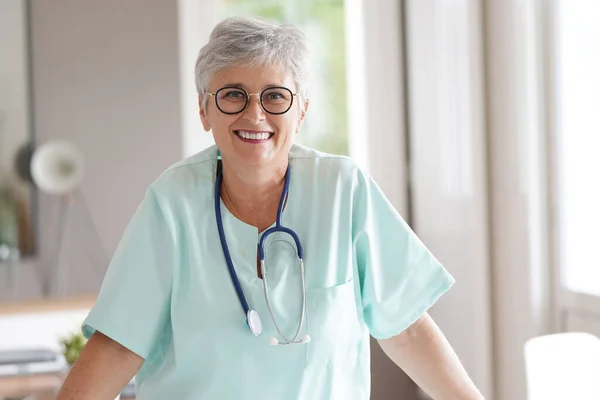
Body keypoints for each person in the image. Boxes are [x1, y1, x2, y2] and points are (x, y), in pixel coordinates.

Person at [57, 16, 483, 400]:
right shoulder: (172, 203)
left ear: (301, 112)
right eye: (232, 95)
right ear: (205, 110)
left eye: (275, 96)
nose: (255, 113)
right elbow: (118, 345)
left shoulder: (342, 190)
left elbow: (406, 326)